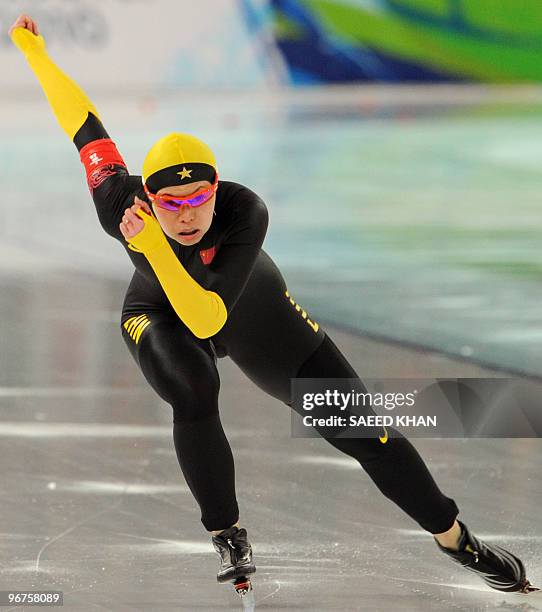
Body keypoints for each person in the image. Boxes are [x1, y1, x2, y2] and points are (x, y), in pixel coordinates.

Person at [9, 13, 535, 595]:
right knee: (193, 388)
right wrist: (34, 52)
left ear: (218, 190)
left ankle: (455, 537)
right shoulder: (119, 199)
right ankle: (227, 529)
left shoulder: (245, 212)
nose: (186, 215)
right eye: (170, 203)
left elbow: (209, 315)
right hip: (158, 311)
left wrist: (152, 243)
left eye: (198, 199)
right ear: (147, 197)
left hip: (253, 308)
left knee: (366, 433)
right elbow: (81, 122)